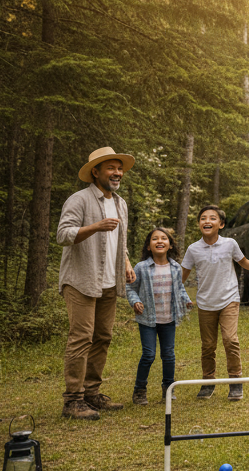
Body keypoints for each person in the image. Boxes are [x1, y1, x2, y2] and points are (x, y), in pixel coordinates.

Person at [56, 147, 137, 420]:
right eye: (111, 168)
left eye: (119, 168)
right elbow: (63, 235)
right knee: (81, 338)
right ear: (95, 172)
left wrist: (126, 263)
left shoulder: (121, 203)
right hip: (81, 279)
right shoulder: (79, 200)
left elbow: (119, 242)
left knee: (103, 337)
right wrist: (95, 227)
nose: (117, 173)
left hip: (109, 282)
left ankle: (91, 394)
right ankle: (73, 401)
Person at [181, 205, 249, 401]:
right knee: (208, 345)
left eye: (212, 218)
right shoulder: (193, 249)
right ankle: (208, 382)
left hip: (229, 299)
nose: (207, 221)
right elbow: (182, 275)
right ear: (199, 224)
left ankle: (235, 381)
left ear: (220, 224)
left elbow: (243, 262)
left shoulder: (230, 244)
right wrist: (173, 292)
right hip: (205, 303)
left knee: (230, 340)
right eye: (203, 218)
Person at [126, 228, 193, 405]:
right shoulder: (141, 267)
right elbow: (130, 288)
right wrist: (135, 301)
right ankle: (140, 390)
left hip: (169, 319)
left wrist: (186, 300)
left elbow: (179, 288)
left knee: (169, 355)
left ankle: (168, 389)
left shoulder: (175, 267)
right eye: (155, 239)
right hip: (147, 319)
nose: (160, 241)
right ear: (149, 246)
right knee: (148, 355)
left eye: (164, 238)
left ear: (170, 245)